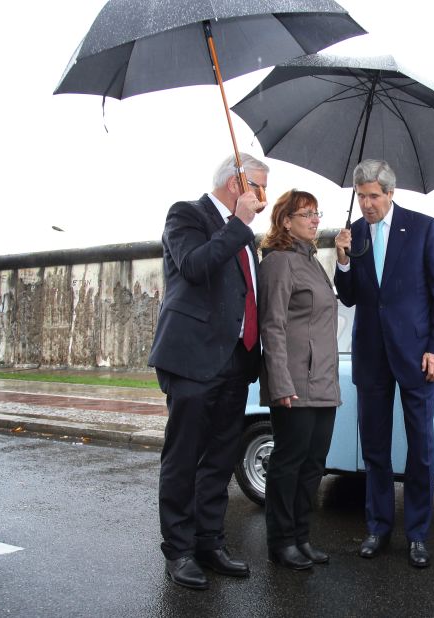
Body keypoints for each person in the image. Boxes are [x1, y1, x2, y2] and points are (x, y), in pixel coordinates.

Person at [147, 153, 269, 590]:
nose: (264, 198)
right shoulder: (187, 215)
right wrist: (236, 225)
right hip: (193, 359)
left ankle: (209, 541)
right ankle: (178, 550)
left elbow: (246, 295)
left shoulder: (246, 235)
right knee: (184, 457)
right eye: (259, 186)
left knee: (219, 459)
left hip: (237, 360)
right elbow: (196, 266)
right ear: (237, 184)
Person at [333, 159, 434, 568]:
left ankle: (417, 534)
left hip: (418, 357)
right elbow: (348, 297)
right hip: (371, 355)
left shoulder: (422, 227)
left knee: (420, 449)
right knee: (375, 450)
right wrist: (344, 259)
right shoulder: (355, 235)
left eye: (373, 196)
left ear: (390, 194)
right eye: (361, 196)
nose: (367, 204)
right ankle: (378, 527)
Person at [258, 190, 341, 570]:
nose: (314, 219)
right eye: (305, 214)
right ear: (285, 221)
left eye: (316, 213)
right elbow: (272, 325)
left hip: (323, 382)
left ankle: (302, 537)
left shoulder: (313, 262)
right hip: (294, 382)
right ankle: (281, 541)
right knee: (288, 463)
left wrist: (341, 258)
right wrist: (280, 382)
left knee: (314, 465)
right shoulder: (279, 262)